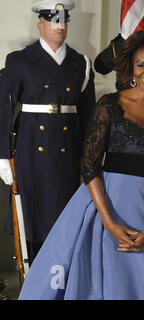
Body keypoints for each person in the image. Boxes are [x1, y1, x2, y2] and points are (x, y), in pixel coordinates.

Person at [18, 30, 144, 300]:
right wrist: (109, 223)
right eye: (141, 65)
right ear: (131, 66)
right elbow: (90, 166)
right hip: (105, 210)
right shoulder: (109, 104)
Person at [0, 0, 96, 264]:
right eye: (54, 20)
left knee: (65, 223)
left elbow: (90, 119)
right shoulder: (20, 61)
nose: (60, 26)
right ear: (40, 24)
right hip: (31, 151)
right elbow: (3, 110)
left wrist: (92, 160)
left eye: (64, 21)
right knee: (32, 224)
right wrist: (1, 156)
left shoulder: (81, 64)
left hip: (67, 153)